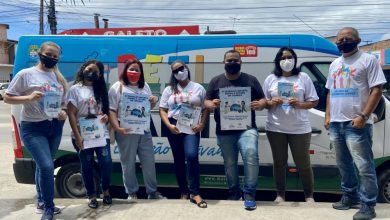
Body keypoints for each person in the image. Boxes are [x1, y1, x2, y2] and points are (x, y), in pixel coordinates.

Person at [324, 27, 387, 220]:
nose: (343, 41)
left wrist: (363, 115)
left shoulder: (368, 60)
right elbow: (330, 92)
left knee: (364, 166)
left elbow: (377, 90)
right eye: (340, 39)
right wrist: (328, 116)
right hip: (336, 123)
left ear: (358, 40)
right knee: (344, 164)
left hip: (357, 122)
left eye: (347, 38)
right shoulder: (334, 64)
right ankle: (349, 196)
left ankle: (368, 205)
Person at [4, 41, 67, 220]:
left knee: (43, 165)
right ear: (40, 53)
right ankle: (48, 207)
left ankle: (41, 201)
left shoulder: (58, 77)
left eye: (55, 56)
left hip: (54, 126)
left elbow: (60, 103)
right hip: (33, 128)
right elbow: (7, 97)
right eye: (49, 54)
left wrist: (62, 112)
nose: (52, 58)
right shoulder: (26, 74)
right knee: (47, 166)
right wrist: (29, 97)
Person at [204, 49, 267, 210]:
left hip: (247, 128)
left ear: (241, 62)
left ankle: (249, 193)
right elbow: (206, 101)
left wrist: (261, 104)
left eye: (235, 60)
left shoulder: (250, 80)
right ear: (223, 62)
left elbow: (263, 99)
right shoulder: (215, 81)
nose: (232, 63)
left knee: (251, 154)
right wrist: (210, 105)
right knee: (230, 163)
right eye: (229, 60)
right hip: (224, 130)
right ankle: (234, 192)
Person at [263, 47, 319, 203]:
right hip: (275, 127)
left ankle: (309, 195)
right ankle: (280, 194)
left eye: (289, 57)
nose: (286, 60)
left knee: (303, 164)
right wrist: (271, 102)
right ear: (277, 61)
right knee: (279, 163)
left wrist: (300, 104)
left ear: (294, 59)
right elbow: (263, 103)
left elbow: (314, 101)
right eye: (282, 58)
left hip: (300, 128)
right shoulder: (271, 79)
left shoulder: (303, 77)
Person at [108, 59, 165, 201]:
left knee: (149, 162)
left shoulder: (144, 86)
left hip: (144, 130)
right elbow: (112, 110)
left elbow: (147, 109)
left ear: (141, 73)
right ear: (125, 71)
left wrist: (152, 103)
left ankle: (152, 192)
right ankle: (131, 193)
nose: (134, 72)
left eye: (137, 70)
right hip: (126, 131)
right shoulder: (117, 87)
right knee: (128, 163)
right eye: (131, 69)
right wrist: (117, 128)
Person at [159, 60, 209, 208]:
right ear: (173, 74)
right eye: (175, 71)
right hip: (174, 126)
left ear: (187, 68)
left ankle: (195, 192)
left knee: (192, 155)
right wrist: (168, 125)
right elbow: (162, 109)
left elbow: (205, 107)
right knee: (179, 159)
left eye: (181, 68)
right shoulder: (169, 89)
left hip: (191, 127)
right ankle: (183, 191)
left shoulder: (198, 88)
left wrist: (202, 124)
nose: (179, 71)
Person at [66, 60, 112, 209]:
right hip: (82, 136)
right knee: (86, 165)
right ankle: (91, 195)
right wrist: (78, 136)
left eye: (97, 71)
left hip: (101, 134)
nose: (92, 72)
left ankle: (105, 191)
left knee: (106, 164)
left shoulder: (102, 90)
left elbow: (106, 112)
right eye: (90, 69)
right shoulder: (75, 89)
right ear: (83, 69)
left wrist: (106, 117)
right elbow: (71, 114)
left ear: (99, 75)